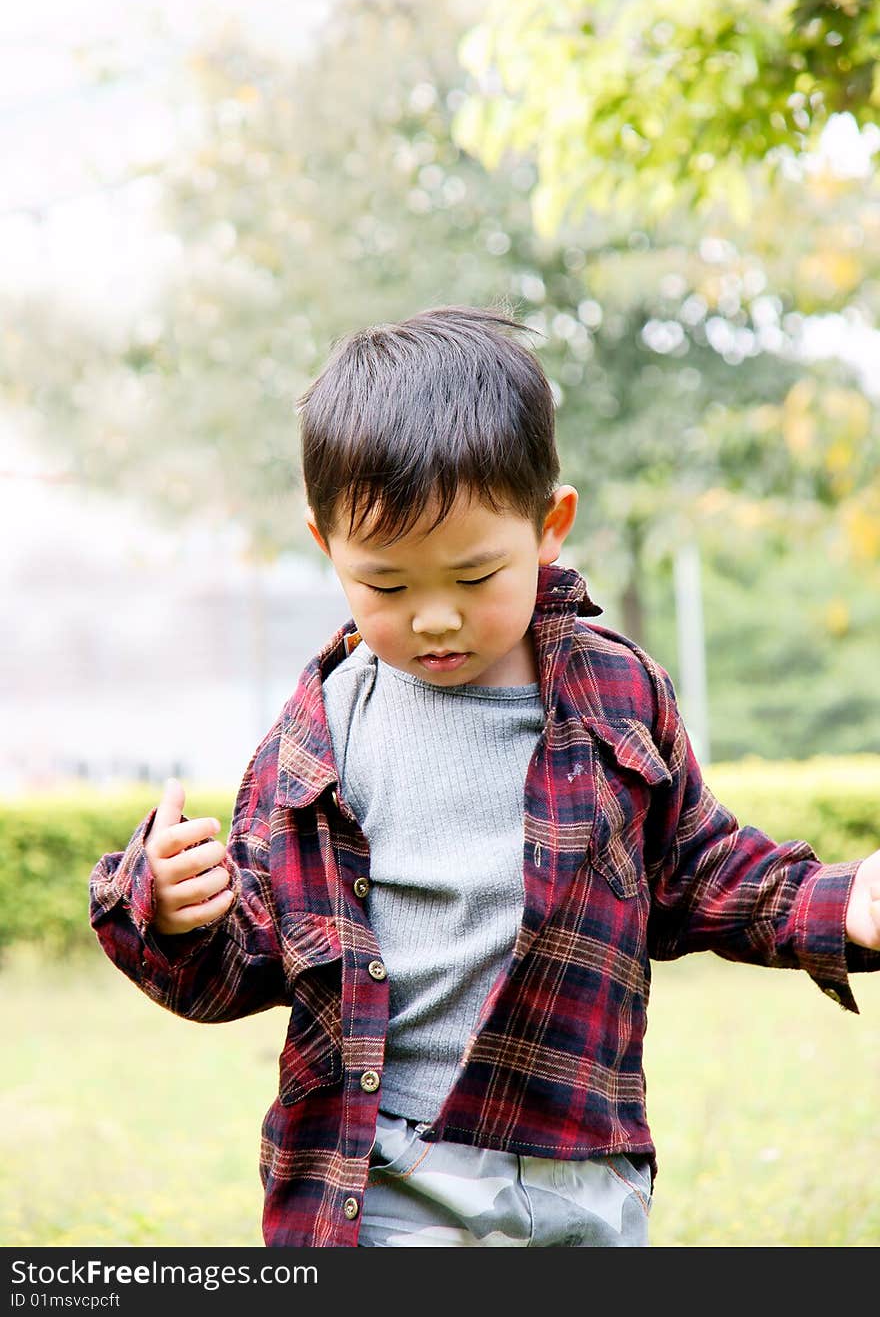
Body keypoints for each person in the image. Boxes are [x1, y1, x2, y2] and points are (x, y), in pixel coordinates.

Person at [89, 306, 880, 1248]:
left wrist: (844, 904)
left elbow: (701, 870)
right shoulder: (321, 738)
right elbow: (249, 959)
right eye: (387, 585)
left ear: (550, 528)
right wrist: (171, 908)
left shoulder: (616, 694)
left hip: (583, 1174)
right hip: (384, 1174)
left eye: (473, 577)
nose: (433, 619)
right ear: (327, 548)